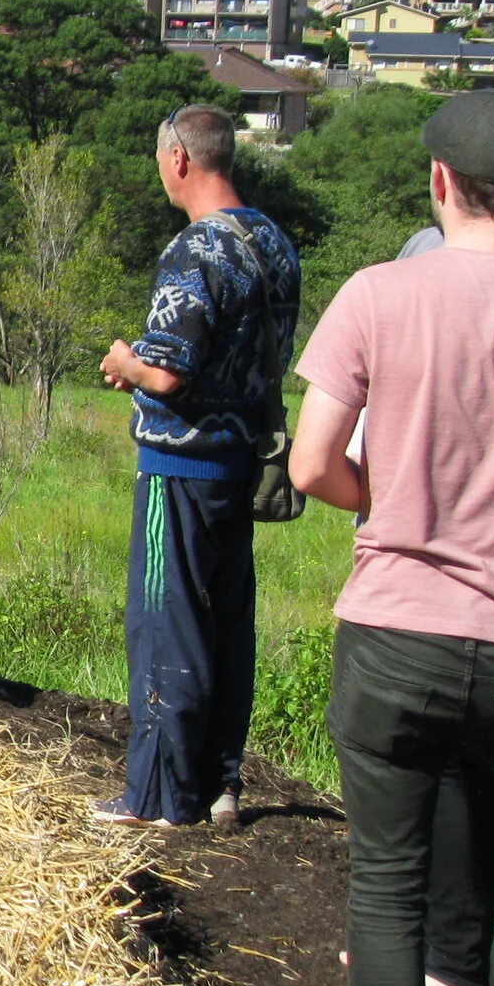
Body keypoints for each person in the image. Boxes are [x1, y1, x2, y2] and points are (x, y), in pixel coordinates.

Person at [288, 90, 494, 986]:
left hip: (395, 628)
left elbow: (311, 466)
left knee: (384, 883)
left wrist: (401, 507)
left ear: (438, 184)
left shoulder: (377, 294)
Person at [94, 104, 300, 828]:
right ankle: (221, 782)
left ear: (178, 158)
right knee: (223, 624)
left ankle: (157, 794)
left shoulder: (194, 251)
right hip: (242, 462)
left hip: (178, 466)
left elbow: (169, 373)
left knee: (164, 622)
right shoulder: (274, 243)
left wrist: (126, 362)